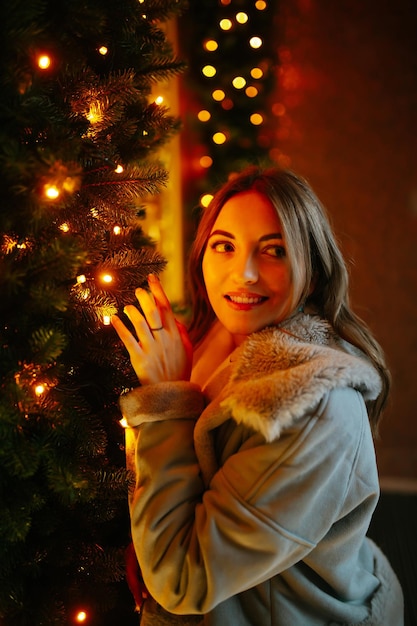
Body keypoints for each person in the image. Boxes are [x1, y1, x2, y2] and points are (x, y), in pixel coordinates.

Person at [111, 166, 403, 626]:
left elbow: (183, 580)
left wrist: (165, 403)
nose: (242, 274)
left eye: (273, 251)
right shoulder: (212, 341)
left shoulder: (313, 409)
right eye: (224, 246)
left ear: (313, 271)